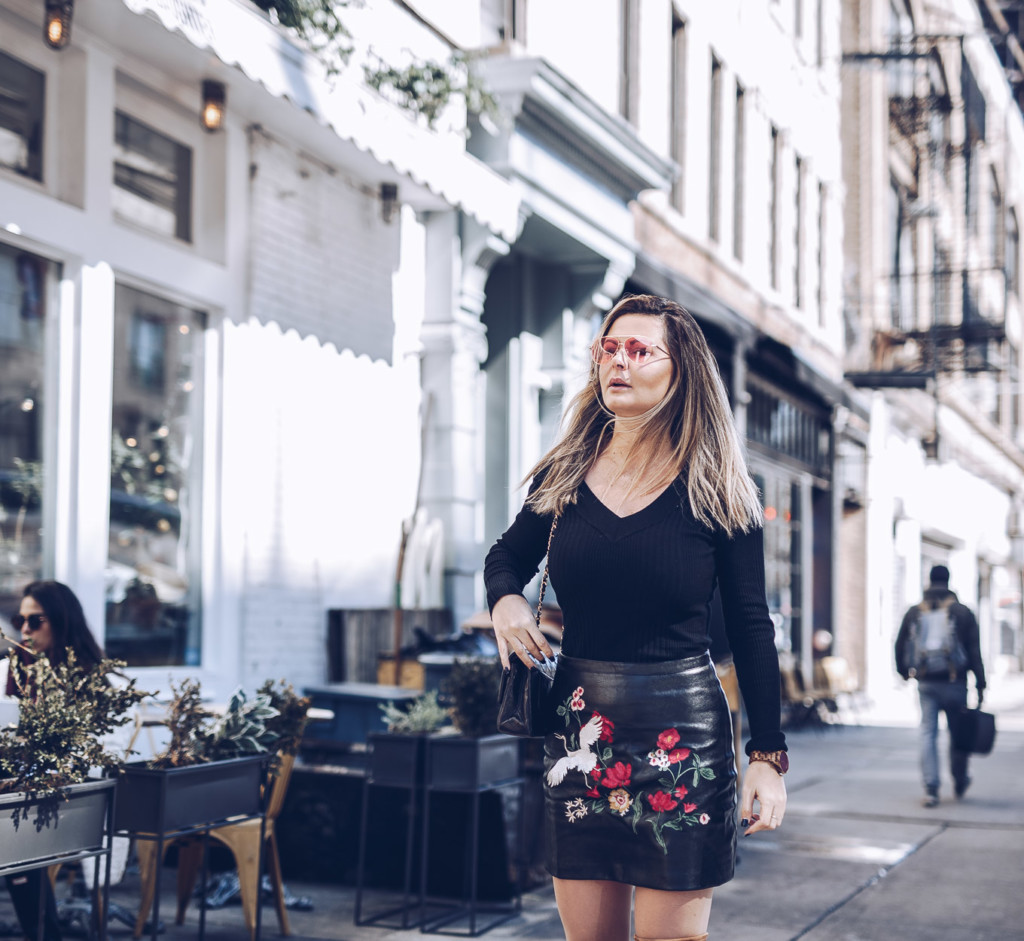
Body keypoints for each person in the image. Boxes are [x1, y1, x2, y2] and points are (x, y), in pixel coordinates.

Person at [484, 294, 787, 941]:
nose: (617, 362)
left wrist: (767, 755)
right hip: (579, 733)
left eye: (639, 350)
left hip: (682, 737)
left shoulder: (718, 486)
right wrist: (506, 600)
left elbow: (752, 623)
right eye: (608, 348)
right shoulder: (564, 475)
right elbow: (506, 557)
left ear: (680, 371)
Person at [4, 579, 105, 941]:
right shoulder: (20, 666)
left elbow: (90, 746)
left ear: (62, 620)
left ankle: (44, 933)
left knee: (15, 833)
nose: (26, 630)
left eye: (36, 620)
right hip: (24, 778)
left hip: (73, 788)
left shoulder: (86, 674)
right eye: (21, 621)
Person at [895, 564, 986, 808]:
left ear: (930, 580)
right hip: (955, 682)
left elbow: (900, 643)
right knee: (958, 733)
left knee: (928, 733)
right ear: (948, 580)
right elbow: (974, 650)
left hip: (926, 683)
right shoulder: (962, 612)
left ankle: (931, 788)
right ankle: (959, 778)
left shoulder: (915, 611)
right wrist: (981, 682)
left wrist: (904, 672)